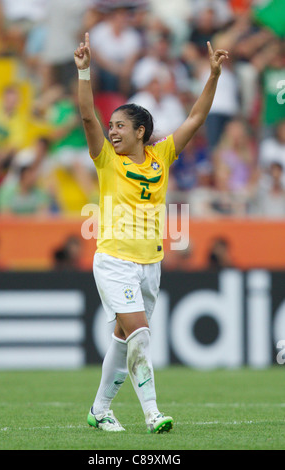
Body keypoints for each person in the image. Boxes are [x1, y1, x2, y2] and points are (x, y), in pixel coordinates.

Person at [74, 32, 228, 433]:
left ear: (141, 131)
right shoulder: (106, 159)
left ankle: (100, 409)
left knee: (124, 340)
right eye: (112, 126)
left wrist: (212, 76)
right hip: (114, 259)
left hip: (151, 264)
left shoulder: (161, 155)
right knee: (141, 334)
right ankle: (152, 414)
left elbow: (195, 117)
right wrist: (85, 71)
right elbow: (88, 116)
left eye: (121, 125)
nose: (112, 131)